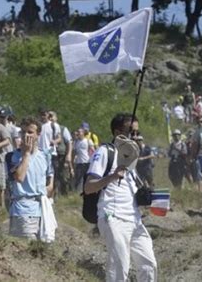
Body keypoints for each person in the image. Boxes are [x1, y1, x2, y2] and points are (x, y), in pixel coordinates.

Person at [84, 113, 157, 282]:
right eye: (131, 131)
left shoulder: (132, 157)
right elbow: (89, 187)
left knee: (148, 265)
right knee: (119, 266)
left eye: (137, 132)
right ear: (118, 133)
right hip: (113, 216)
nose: (136, 136)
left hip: (134, 219)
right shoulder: (104, 152)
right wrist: (112, 176)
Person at [7, 117, 54, 240]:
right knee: (25, 249)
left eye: (30, 132)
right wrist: (26, 154)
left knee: (42, 250)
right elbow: (19, 177)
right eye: (22, 132)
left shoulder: (45, 156)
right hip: (23, 210)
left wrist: (48, 191)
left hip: (42, 211)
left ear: (38, 134)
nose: (25, 135)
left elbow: (50, 177)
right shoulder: (13, 157)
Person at [73, 127, 94, 193]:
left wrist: (93, 159)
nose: (78, 133)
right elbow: (74, 152)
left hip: (86, 162)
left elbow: (93, 150)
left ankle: (87, 191)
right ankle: (77, 192)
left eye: (80, 132)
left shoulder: (87, 140)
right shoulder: (76, 142)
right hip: (79, 162)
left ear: (83, 133)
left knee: (86, 178)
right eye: (78, 132)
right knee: (78, 178)